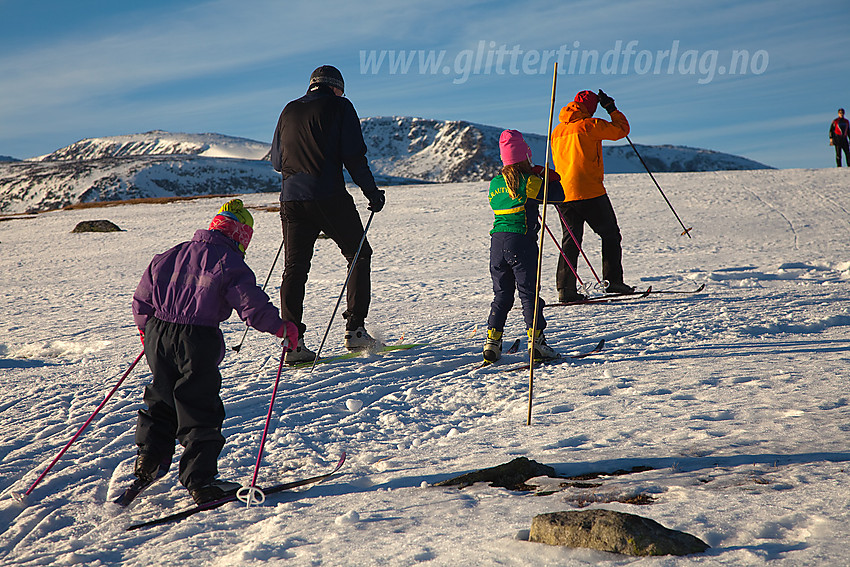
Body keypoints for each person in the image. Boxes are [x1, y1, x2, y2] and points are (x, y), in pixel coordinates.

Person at [131, 199, 299, 505]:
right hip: (198, 338)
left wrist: (147, 332)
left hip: (158, 333)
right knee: (199, 405)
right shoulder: (229, 261)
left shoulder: (172, 253)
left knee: (162, 397)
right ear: (241, 236)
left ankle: (148, 461)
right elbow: (251, 305)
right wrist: (281, 327)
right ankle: (201, 480)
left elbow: (142, 298)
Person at [271, 65, 386, 364]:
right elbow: (353, 157)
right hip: (328, 195)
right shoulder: (340, 106)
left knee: (295, 269)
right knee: (359, 253)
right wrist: (372, 193)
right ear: (335, 88)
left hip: (292, 199)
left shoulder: (288, 109)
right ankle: (355, 330)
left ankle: (293, 343)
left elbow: (275, 161)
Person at [484, 129, 565, 362]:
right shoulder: (528, 181)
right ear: (526, 156)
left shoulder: (495, 183)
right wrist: (548, 176)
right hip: (521, 241)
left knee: (502, 295)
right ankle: (537, 343)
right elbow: (558, 196)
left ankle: (493, 341)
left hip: (497, 242)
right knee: (529, 294)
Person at [551, 89, 633, 302]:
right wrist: (612, 109)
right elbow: (621, 130)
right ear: (591, 107)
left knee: (571, 241)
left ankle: (565, 289)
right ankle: (613, 281)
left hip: (563, 193)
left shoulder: (557, 130)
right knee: (610, 235)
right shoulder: (590, 125)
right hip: (589, 190)